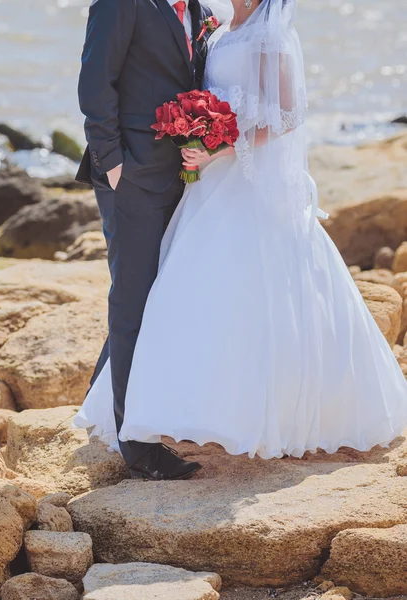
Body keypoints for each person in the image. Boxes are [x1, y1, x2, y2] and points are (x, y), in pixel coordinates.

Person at [75, 0, 407, 474]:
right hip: (155, 177)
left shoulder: (245, 27)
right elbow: (96, 80)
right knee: (145, 292)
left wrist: (219, 147)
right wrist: (111, 164)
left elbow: (286, 114)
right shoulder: (197, 18)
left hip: (215, 178)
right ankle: (132, 427)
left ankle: (161, 408)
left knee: (172, 291)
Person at [76, 0, 218, 480]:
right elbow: (96, 82)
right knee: (133, 299)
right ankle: (136, 445)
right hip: (130, 176)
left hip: (179, 176)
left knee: (153, 294)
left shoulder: (197, 8)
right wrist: (113, 163)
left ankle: (102, 403)